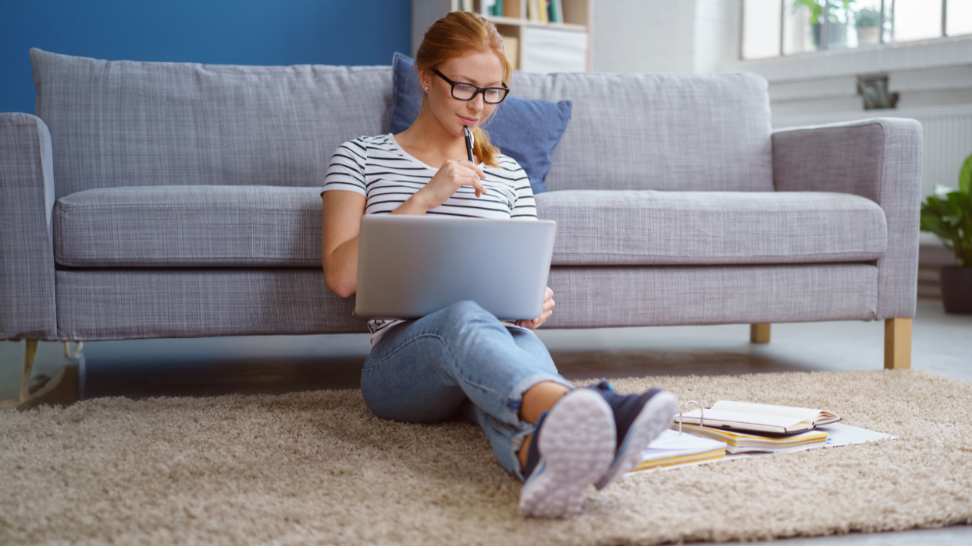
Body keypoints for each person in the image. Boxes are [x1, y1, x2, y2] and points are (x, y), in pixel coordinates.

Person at [320, 11, 677, 519]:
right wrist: (426, 197)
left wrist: (532, 303)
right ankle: (590, 409)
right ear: (425, 76)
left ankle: (539, 458)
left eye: (492, 92)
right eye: (465, 88)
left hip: (491, 348)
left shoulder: (508, 173)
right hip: (399, 367)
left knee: (519, 350)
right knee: (463, 316)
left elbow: (523, 273)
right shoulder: (359, 156)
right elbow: (340, 277)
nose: (479, 107)